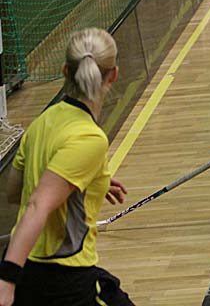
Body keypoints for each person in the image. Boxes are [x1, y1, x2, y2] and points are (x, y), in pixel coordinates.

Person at [0, 28, 134, 305]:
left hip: (29, 270)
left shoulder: (43, 121)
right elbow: (37, 204)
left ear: (65, 71)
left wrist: (87, 181)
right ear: (113, 75)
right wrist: (6, 281)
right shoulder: (89, 138)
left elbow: (15, 193)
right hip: (63, 279)